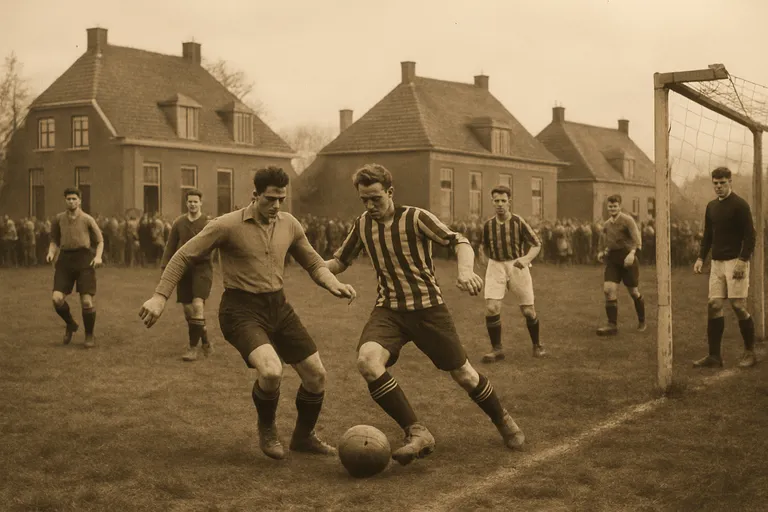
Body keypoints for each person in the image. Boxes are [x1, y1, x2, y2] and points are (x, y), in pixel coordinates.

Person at [139, 167, 357, 460]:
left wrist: (335, 284)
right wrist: (159, 297)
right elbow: (183, 256)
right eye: (270, 199)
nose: (276, 205)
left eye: (281, 198)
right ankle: (267, 429)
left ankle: (303, 437)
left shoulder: (289, 224)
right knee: (270, 371)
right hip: (240, 310)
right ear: (255, 196)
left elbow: (315, 264)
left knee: (316, 375)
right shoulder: (225, 225)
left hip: (278, 308)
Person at [325, 163, 525, 467]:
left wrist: (466, 271)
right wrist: (306, 262)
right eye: (364, 199)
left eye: (376, 198)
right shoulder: (363, 225)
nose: (370, 206)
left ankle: (503, 420)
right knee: (367, 361)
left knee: (465, 375)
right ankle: (417, 432)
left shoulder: (416, 218)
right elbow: (339, 262)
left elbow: (460, 241)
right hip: (389, 310)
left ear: (390, 192)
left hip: (429, 310)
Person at [693, 166, 757, 368]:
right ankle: (714, 356)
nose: (718, 187)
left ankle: (749, 352)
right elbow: (708, 236)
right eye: (715, 183)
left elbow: (750, 235)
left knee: (738, 306)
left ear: (730, 182)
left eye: (722, 183)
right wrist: (700, 258)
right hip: (717, 263)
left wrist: (742, 259)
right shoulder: (711, 206)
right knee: (713, 305)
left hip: (736, 262)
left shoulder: (740, 205)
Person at [477, 185, 545, 362]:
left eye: (503, 201)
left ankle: (537, 345)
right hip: (496, 266)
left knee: (528, 311)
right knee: (492, 308)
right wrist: (483, 260)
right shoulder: (488, 225)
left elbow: (536, 243)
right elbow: (482, 246)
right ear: (492, 202)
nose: (500, 204)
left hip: (517, 265)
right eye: (496, 201)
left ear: (509, 202)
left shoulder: (518, 222)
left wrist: (526, 259)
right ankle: (497, 349)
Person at [160, 189, 214, 362]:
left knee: (198, 305)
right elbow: (170, 246)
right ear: (186, 203)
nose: (192, 204)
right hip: (184, 268)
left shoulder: (208, 223)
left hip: (202, 267)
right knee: (188, 310)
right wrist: (165, 266)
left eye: (195, 201)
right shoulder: (179, 223)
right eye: (190, 201)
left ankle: (192, 348)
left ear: (201, 203)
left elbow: (217, 244)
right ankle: (203, 336)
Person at [47, 188, 104, 348]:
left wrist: (98, 256)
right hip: (65, 259)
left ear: (79, 201)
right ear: (65, 200)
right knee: (57, 298)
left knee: (86, 301)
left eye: (74, 199)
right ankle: (71, 324)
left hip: (84, 259)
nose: (71, 201)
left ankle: (89, 335)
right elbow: (54, 241)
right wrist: (51, 252)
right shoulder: (58, 219)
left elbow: (100, 241)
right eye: (68, 199)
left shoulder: (87, 219)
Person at [596, 194, 645, 336]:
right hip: (613, 259)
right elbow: (604, 240)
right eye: (610, 206)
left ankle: (642, 321)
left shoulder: (628, 221)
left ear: (620, 206)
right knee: (608, 289)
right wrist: (601, 251)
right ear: (607, 207)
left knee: (633, 292)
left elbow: (637, 239)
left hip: (627, 259)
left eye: (615, 206)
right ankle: (612, 325)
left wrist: (632, 253)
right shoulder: (606, 224)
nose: (612, 208)